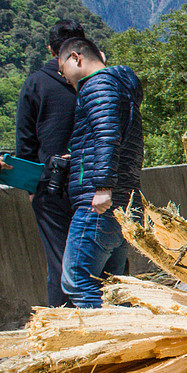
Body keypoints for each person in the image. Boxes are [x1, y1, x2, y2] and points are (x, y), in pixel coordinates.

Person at [57, 36, 144, 308]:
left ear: (76, 57)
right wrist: (82, 155)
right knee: (113, 284)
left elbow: (107, 134)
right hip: (124, 202)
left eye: (62, 70)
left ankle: (111, 336)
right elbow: (115, 137)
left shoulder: (96, 85)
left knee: (78, 279)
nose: (65, 78)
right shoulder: (121, 87)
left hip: (100, 204)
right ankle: (131, 343)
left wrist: (102, 187)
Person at [15, 19, 85, 306]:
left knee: (59, 260)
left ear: (50, 48)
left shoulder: (35, 83)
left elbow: (25, 141)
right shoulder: (94, 81)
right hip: (90, 179)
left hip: (48, 184)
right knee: (99, 257)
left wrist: (32, 187)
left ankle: (61, 325)